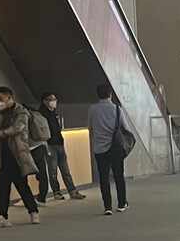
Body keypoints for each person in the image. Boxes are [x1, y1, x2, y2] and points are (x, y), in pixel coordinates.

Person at [0, 86, 39, 227]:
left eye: (0, 99)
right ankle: (2, 217)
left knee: (22, 186)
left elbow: (16, 129)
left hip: (16, 155)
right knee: (1, 187)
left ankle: (33, 211)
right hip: (0, 155)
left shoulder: (21, 112)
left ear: (9, 97)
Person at [87, 83, 130, 216]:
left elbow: (90, 128)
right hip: (116, 148)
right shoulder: (117, 109)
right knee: (118, 175)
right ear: (110, 94)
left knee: (103, 178)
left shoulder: (92, 109)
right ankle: (122, 204)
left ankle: (107, 207)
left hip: (99, 148)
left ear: (98, 95)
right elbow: (125, 128)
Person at [37, 92, 85, 201]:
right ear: (44, 101)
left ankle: (72, 191)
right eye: (51, 99)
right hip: (50, 145)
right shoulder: (41, 115)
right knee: (53, 171)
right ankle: (57, 192)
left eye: (55, 99)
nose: (54, 101)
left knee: (65, 170)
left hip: (59, 143)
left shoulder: (54, 112)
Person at [26, 103, 51, 206]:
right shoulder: (38, 114)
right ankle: (42, 198)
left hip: (31, 147)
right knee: (42, 173)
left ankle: (27, 198)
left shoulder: (25, 115)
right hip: (41, 145)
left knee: (22, 174)